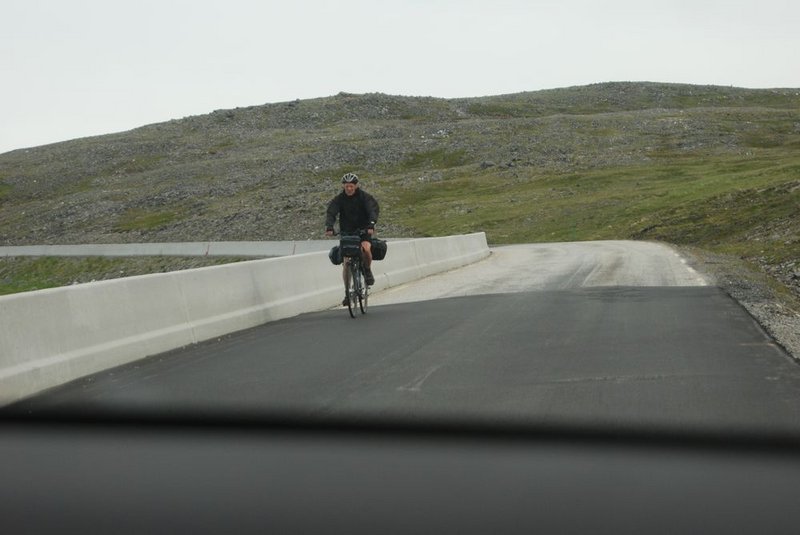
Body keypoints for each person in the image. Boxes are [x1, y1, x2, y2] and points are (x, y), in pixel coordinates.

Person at [325, 173, 380, 304]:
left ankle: (367, 270)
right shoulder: (339, 199)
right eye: (346, 186)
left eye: (351, 186)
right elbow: (331, 212)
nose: (349, 188)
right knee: (346, 262)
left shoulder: (364, 197)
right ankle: (347, 294)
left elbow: (373, 209)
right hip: (347, 232)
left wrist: (372, 224)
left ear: (356, 185)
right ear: (343, 186)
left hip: (363, 230)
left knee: (366, 248)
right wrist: (329, 226)